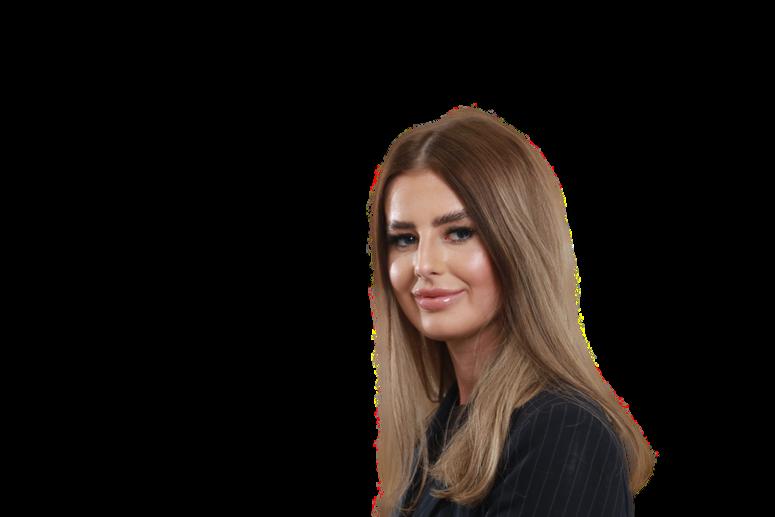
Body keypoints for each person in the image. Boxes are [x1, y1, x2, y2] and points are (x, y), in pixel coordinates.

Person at [367, 105, 656, 516]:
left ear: (518, 245)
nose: (424, 264)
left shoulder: (562, 434)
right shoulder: (440, 433)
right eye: (405, 238)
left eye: (459, 233)